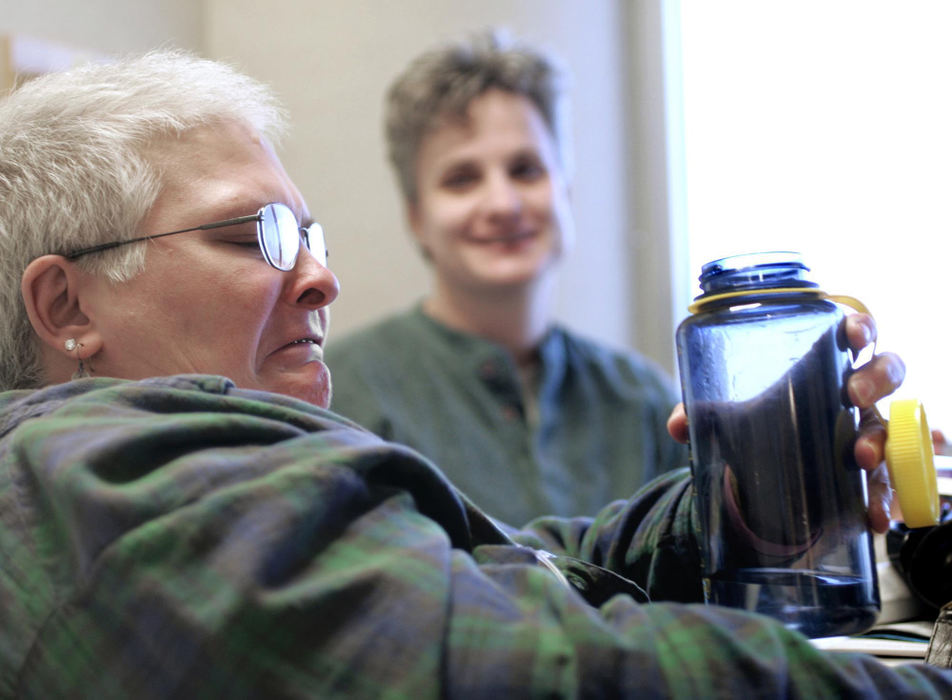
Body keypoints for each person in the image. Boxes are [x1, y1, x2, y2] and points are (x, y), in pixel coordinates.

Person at [0, 50, 947, 699]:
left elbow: (515, 568)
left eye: (307, 233)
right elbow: (536, 670)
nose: (322, 276)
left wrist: (742, 505)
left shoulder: (171, 467)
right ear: (69, 309)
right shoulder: (102, 479)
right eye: (258, 235)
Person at [326, 31, 687, 525]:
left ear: (567, 192)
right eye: (462, 178)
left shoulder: (647, 402)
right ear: (416, 217)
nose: (502, 204)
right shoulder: (343, 394)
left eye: (526, 169)